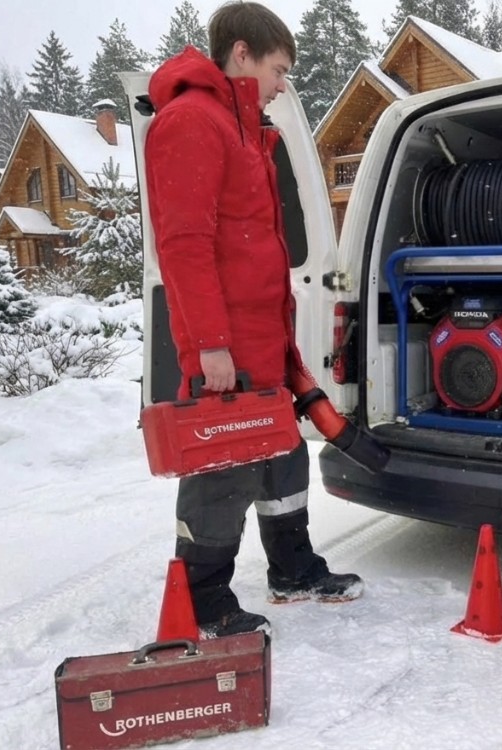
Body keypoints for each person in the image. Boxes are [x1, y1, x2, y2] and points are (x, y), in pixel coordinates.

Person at [144, 0, 362, 639]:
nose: (282, 83)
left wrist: (291, 357)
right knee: (221, 473)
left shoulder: (246, 129)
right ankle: (205, 598)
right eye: (278, 68)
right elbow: (184, 243)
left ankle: (292, 567)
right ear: (242, 54)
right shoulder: (191, 122)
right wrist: (209, 346)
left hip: (264, 343)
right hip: (225, 348)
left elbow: (256, 247)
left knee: (283, 461)